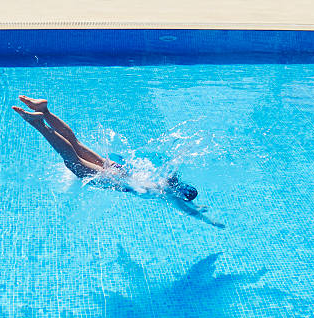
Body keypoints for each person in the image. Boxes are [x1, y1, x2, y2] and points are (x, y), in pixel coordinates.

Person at [13, 96, 224, 228]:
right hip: (115, 179)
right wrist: (212, 222)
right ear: (181, 195)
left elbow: (192, 205)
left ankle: (45, 110)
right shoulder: (167, 195)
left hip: (121, 169)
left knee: (76, 144)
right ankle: (39, 123)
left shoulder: (168, 179)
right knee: (74, 163)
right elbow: (190, 211)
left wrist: (201, 209)